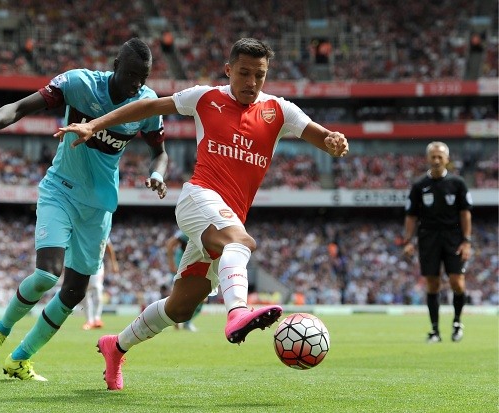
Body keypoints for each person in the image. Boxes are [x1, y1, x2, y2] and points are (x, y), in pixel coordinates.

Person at [56, 37, 349, 390]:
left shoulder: (279, 111)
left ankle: (115, 347)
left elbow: (320, 135)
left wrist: (333, 140)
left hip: (227, 216)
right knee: (240, 242)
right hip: (199, 198)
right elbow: (147, 108)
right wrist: (95, 124)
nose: (252, 83)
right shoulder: (204, 97)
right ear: (229, 70)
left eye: (260, 75)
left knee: (180, 308)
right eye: (244, 73)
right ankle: (237, 311)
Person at [0, 38, 168, 381]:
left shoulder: (146, 104)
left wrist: (157, 174)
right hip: (60, 190)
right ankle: (0, 330)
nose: (137, 83)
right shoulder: (79, 84)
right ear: (116, 63)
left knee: (74, 292)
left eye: (143, 77)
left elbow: (159, 152)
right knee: (47, 273)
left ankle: (19, 359)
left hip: (99, 207)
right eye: (132, 74)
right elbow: (20, 107)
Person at [402, 141, 472, 343]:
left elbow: (465, 214)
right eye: (433, 156)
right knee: (432, 284)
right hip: (428, 238)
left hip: (453, 238)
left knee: (457, 283)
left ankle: (457, 323)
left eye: (440, 156)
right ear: (427, 159)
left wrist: (466, 241)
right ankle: (435, 331)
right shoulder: (419, 186)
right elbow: (411, 216)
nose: (436, 160)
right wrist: (408, 241)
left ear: (447, 159)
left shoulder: (457, 184)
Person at [165, 229, 202, 332]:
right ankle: (176, 319)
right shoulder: (189, 229)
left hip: (197, 263)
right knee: (181, 294)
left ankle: (184, 322)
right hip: (182, 264)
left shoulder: (208, 228)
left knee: (203, 298)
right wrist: (171, 264)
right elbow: (170, 243)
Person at [82, 239, 118, 330]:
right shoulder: (81, 228)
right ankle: (89, 320)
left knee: (97, 289)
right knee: (85, 293)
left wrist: (113, 262)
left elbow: (109, 246)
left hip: (97, 265)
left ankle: (97, 318)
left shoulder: (100, 227)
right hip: (82, 265)